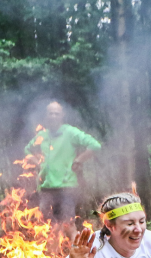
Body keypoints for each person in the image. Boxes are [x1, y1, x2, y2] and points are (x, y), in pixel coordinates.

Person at [25, 101, 101, 242]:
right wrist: (38, 163)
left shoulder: (70, 132)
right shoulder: (42, 135)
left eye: (57, 113)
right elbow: (27, 150)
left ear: (62, 116)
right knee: (49, 227)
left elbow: (95, 145)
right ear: (46, 115)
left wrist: (79, 160)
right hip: (46, 189)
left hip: (67, 188)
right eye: (51, 113)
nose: (53, 116)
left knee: (68, 225)